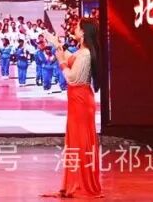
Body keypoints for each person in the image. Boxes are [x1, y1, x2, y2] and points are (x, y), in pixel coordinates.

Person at [41, 18, 102, 199]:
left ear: (83, 33)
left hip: (81, 101)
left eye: (77, 27)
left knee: (80, 143)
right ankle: (74, 183)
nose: (74, 28)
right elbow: (70, 57)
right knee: (76, 142)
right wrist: (57, 44)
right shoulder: (82, 52)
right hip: (78, 100)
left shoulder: (85, 54)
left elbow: (72, 78)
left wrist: (60, 61)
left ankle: (81, 185)